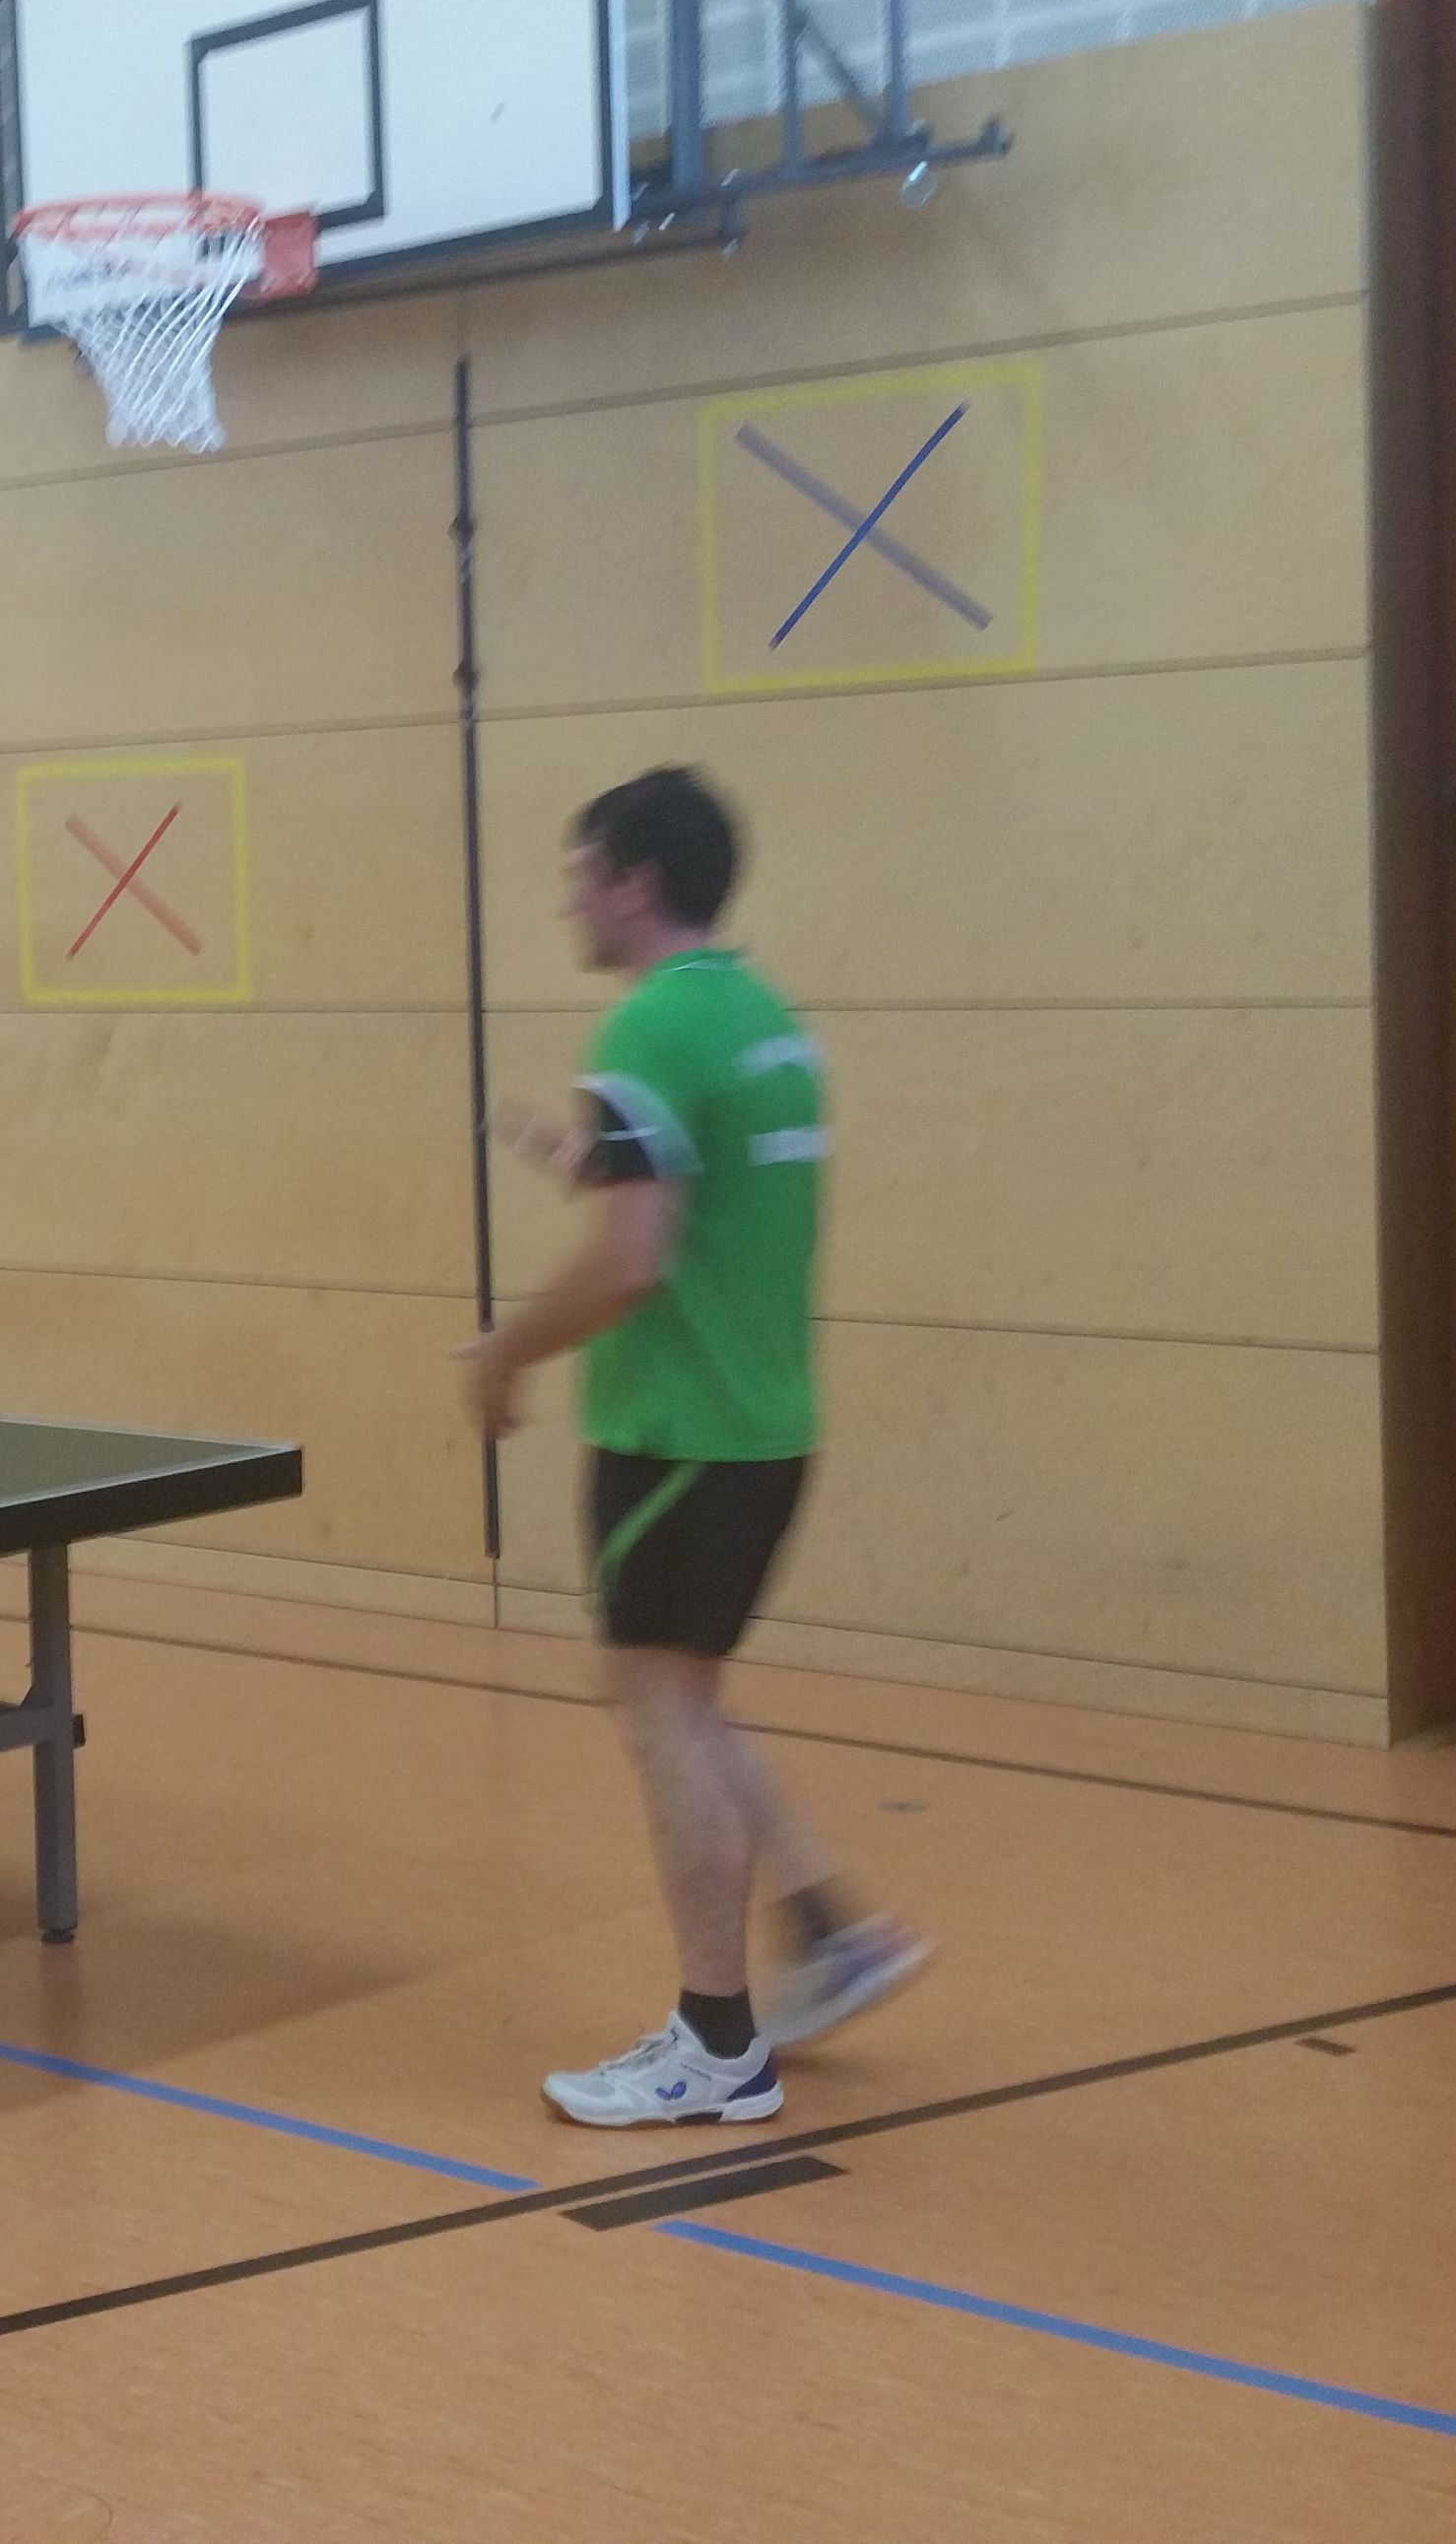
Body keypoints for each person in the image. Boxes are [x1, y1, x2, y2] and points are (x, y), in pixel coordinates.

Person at [456, 768, 929, 2126]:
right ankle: (826, 1931)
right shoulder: (762, 1021)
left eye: (580, 875)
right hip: (764, 1429)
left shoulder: (649, 1026)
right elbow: (704, 1205)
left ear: (637, 880)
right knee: (675, 1696)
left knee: (659, 1711)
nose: (569, 902)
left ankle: (715, 2042)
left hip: (675, 1435)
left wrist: (501, 1355)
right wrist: (576, 1158)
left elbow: (631, 1261)